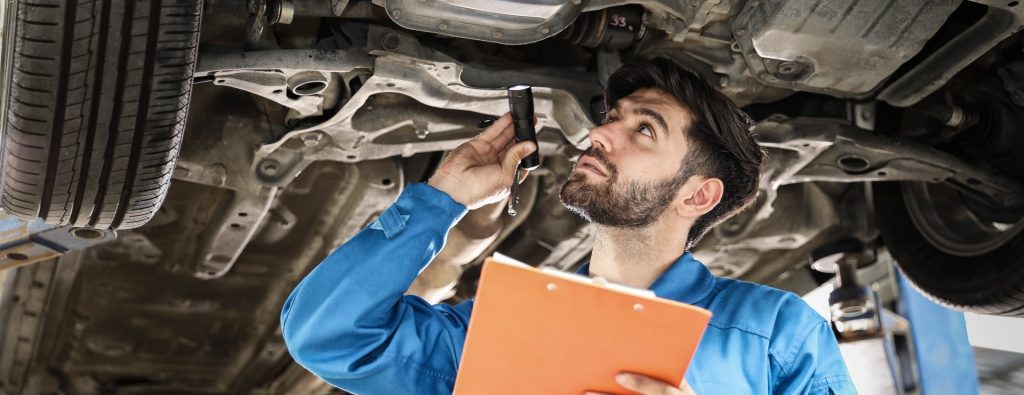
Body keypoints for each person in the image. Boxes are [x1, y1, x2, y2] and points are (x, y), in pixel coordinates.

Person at [280, 58, 856, 394]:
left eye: (645, 131)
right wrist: (442, 199)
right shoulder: (499, 327)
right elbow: (330, 337)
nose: (601, 135)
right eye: (612, 120)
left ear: (698, 194)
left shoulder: (776, 337)